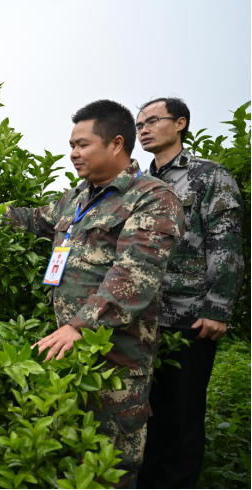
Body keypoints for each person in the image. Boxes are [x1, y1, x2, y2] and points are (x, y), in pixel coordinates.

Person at [0, 100, 184, 488]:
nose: (73, 153)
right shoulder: (78, 197)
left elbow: (136, 273)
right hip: (69, 349)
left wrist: (80, 325)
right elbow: (35, 218)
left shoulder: (151, 197)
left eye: (82, 144)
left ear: (116, 143)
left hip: (116, 359)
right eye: (71, 145)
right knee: (72, 456)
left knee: (112, 464)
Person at [135, 98, 244, 488]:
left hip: (190, 316)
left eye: (152, 121)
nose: (143, 129)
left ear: (180, 123)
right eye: (139, 124)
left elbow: (226, 244)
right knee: (147, 413)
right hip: (142, 319)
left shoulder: (208, 175)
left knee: (183, 416)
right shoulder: (138, 182)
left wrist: (218, 307)